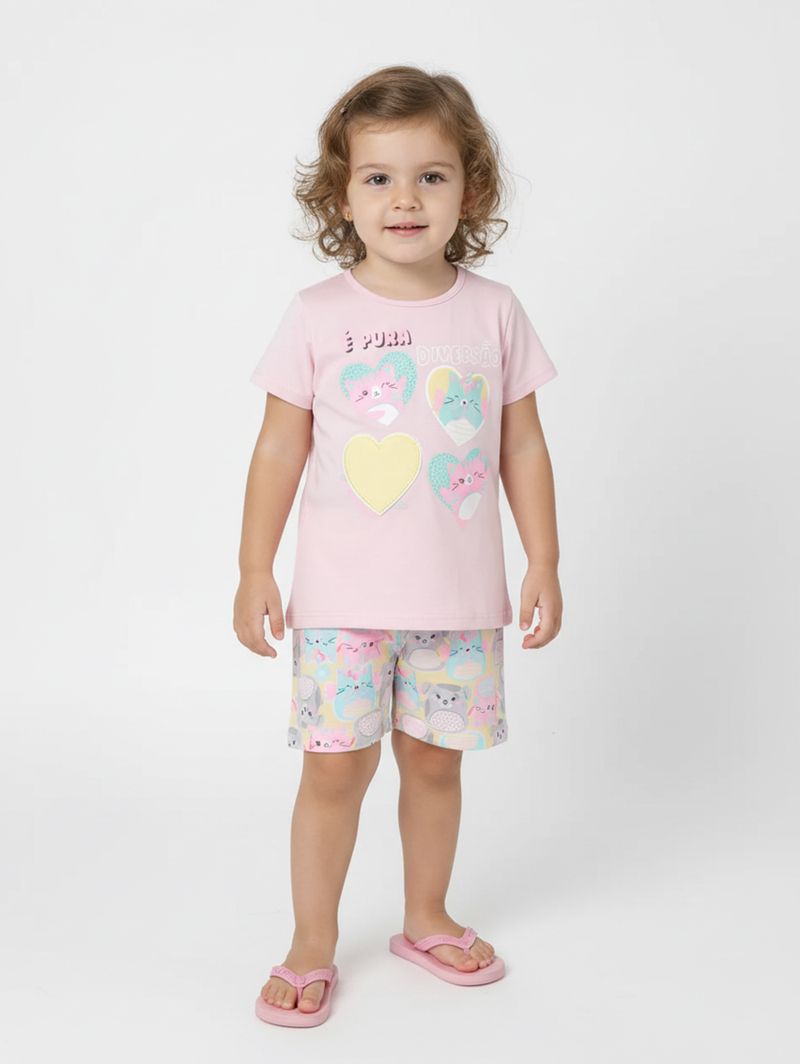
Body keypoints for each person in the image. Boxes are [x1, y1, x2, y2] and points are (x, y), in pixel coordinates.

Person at [234, 64, 563, 1028]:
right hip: (342, 604)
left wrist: (544, 559)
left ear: (471, 190)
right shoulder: (318, 315)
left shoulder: (494, 311)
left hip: (458, 603)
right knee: (335, 770)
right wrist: (254, 567)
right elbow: (278, 447)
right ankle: (310, 942)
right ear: (342, 196)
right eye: (378, 178)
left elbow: (523, 446)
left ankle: (426, 918)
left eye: (431, 176)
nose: (405, 199)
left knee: (434, 764)